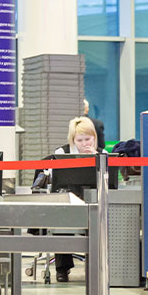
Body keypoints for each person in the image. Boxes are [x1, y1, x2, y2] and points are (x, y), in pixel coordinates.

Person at [49, 116, 105, 283]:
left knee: (98, 218)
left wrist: (97, 161)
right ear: (72, 140)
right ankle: (62, 268)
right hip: (69, 199)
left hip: (94, 200)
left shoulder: (103, 154)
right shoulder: (62, 153)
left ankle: (98, 265)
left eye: (88, 139)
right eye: (79, 140)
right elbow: (55, 181)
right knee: (61, 219)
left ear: (94, 137)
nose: (84, 143)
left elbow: (110, 184)